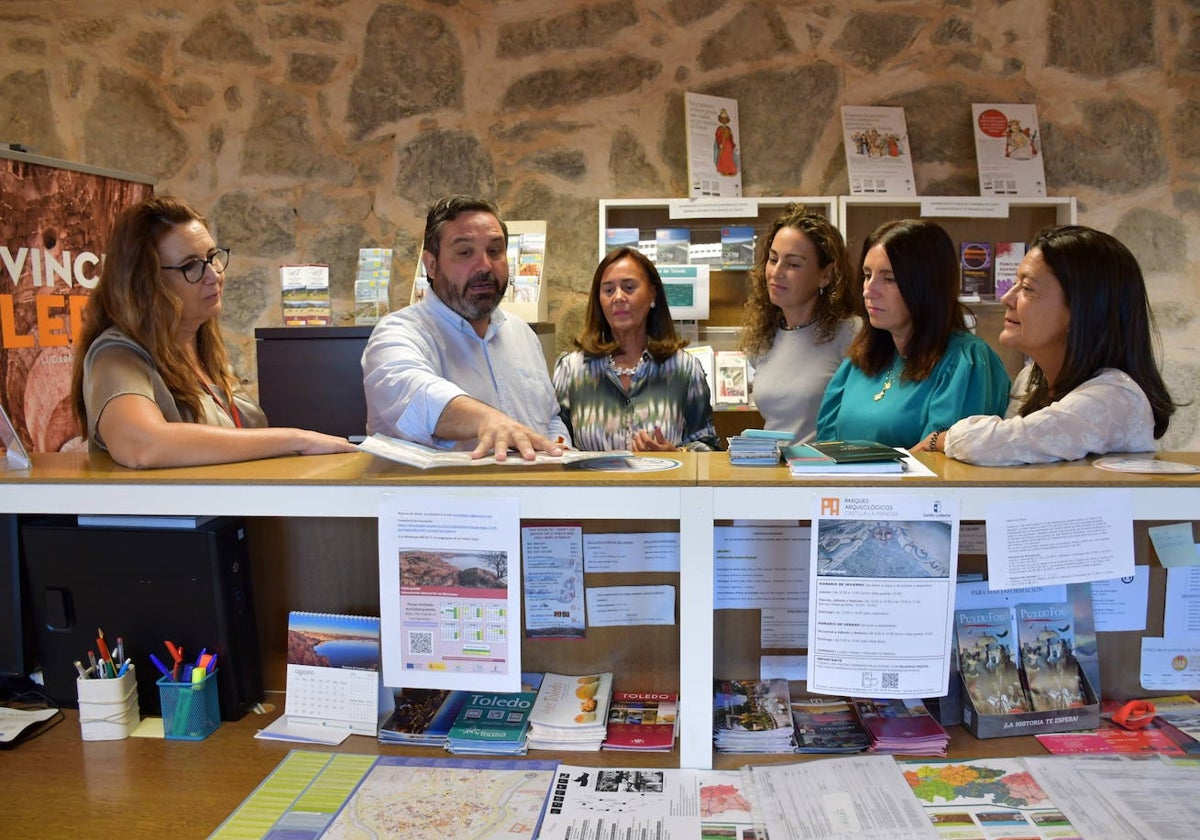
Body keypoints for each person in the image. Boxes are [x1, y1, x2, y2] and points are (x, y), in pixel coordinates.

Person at [71, 196, 356, 469]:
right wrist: (296, 439)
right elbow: (141, 445)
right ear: (145, 283)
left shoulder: (201, 346)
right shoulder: (116, 356)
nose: (214, 275)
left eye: (212, 257)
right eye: (191, 266)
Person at [930, 225, 1176, 465]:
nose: (1007, 297)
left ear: (1081, 310)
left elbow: (987, 444)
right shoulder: (1030, 379)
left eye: (1027, 288)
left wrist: (941, 439)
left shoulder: (1115, 397)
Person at [362, 195, 568, 460]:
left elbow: (549, 418)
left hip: (531, 496)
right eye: (464, 252)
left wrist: (560, 449)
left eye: (495, 251)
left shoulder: (523, 334)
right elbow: (415, 398)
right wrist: (490, 421)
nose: (484, 265)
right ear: (432, 265)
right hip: (440, 499)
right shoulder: (397, 333)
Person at [817, 219, 1010, 449]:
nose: (869, 290)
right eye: (867, 275)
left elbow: (943, 463)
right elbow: (826, 447)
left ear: (927, 285)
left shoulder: (965, 361)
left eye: (889, 279)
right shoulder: (861, 358)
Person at [553, 247, 719, 452]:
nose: (618, 297)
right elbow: (555, 438)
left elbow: (709, 447)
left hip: (663, 484)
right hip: (594, 484)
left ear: (652, 294)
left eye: (629, 287)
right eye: (608, 290)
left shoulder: (684, 369)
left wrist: (677, 454)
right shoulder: (572, 369)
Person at [740, 206, 857, 443]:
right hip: (772, 472)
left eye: (793, 264)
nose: (776, 272)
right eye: (773, 259)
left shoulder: (851, 335)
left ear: (826, 275)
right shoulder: (763, 338)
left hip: (823, 474)